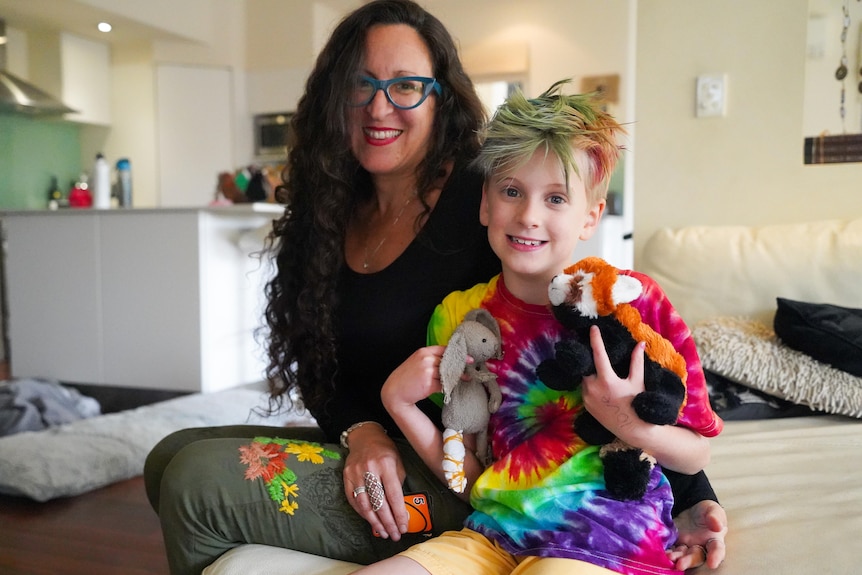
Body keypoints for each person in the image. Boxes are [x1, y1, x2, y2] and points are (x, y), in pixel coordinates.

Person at [143, 1, 726, 574]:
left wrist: (694, 494)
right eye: (360, 83)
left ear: (440, 96)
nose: (379, 105)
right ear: (333, 95)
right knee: (167, 459)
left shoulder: (486, 196)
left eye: (406, 86)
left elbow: (615, 350)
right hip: (389, 438)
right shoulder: (326, 206)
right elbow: (320, 366)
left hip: (458, 474)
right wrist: (364, 429)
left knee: (197, 485)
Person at [352, 81, 723, 575]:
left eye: (555, 198)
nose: (528, 216)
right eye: (511, 192)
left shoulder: (633, 301)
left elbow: (696, 453)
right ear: (486, 204)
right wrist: (398, 403)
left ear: (590, 216)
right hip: (492, 538)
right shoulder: (459, 317)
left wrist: (626, 423)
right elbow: (468, 474)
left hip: (607, 538)